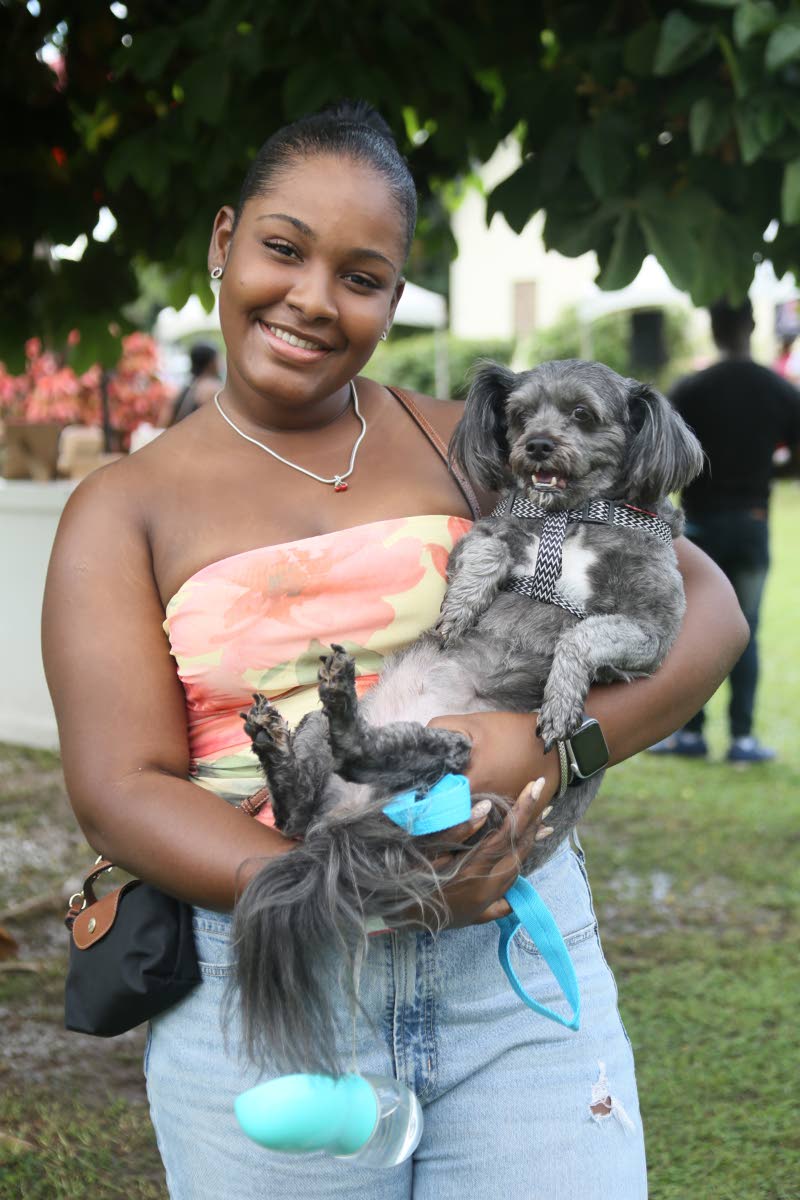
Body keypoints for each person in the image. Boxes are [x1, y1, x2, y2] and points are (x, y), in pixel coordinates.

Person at [42, 103, 747, 1200]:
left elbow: (705, 609)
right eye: (283, 249)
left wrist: (547, 750)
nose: (313, 299)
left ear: (393, 297)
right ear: (224, 240)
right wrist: (345, 888)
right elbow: (118, 789)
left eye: (362, 277)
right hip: (272, 969)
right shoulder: (122, 507)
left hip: (509, 959)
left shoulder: (464, 445)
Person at [650, 299, 800, 765]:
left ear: (711, 326)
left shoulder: (692, 389)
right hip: (752, 521)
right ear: (752, 325)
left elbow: (663, 457)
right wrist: (766, 476)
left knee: (691, 629)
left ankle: (690, 734)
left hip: (699, 527)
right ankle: (743, 738)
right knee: (747, 632)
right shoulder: (777, 388)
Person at [167, 341, 222, 424]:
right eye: (218, 359)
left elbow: (165, 421)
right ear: (211, 363)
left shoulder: (184, 389)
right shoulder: (213, 389)